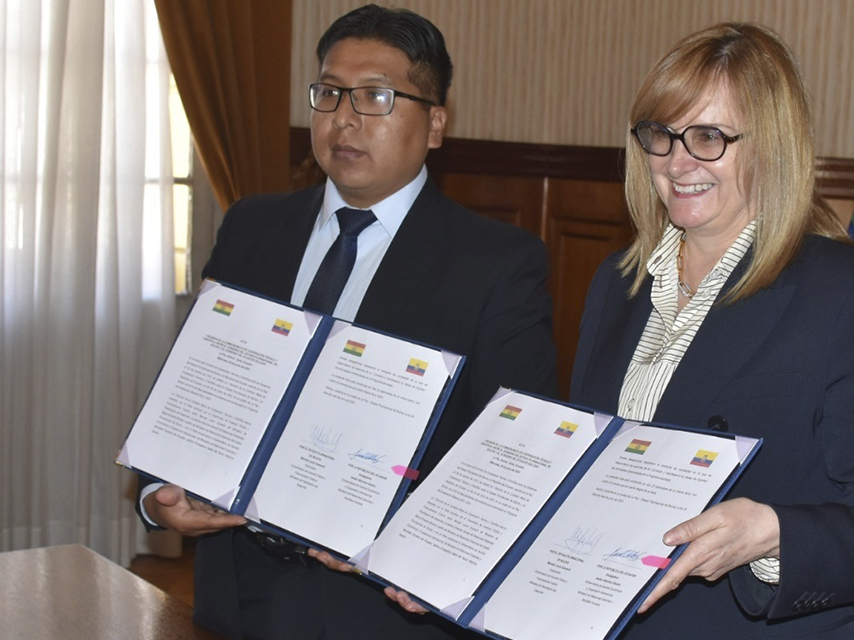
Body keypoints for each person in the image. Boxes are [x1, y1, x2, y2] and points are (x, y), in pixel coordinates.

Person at [137, 5, 556, 639]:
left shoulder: (496, 264)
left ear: (436, 123)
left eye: (377, 97)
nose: (345, 117)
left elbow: (510, 456)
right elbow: (194, 389)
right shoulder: (253, 225)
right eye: (329, 92)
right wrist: (159, 493)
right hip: (233, 587)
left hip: (377, 609)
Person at [568, 23, 854, 638]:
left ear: (771, 146)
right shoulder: (618, 282)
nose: (678, 162)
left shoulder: (852, 295)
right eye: (661, 135)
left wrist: (770, 535)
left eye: (709, 137)